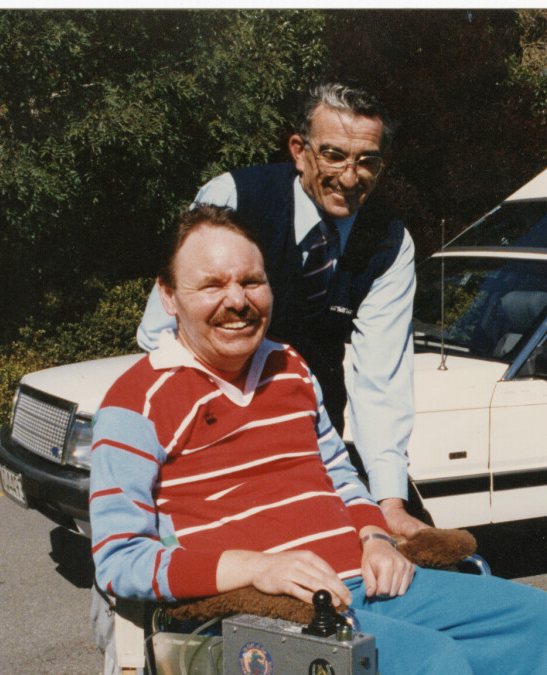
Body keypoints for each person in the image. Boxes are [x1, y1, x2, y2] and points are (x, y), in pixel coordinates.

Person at [92, 206, 547, 675]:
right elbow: (119, 558)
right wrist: (257, 567)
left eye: (251, 281)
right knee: (429, 663)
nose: (237, 300)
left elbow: (342, 477)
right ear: (168, 296)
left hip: (366, 585)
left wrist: (374, 535)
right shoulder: (134, 402)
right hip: (264, 623)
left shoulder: (289, 367)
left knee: (535, 619)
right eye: (212, 285)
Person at [136, 80, 424, 537]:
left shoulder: (390, 243)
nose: (350, 178)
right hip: (211, 444)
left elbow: (381, 381)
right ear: (299, 151)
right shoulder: (235, 199)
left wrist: (389, 502)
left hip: (314, 447)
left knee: (402, 552)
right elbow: (161, 335)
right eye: (334, 155)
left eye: (366, 161)